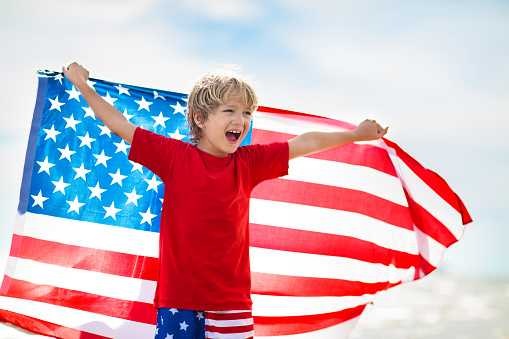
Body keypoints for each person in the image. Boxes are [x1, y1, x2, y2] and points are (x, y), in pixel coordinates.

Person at [62, 62, 388, 339]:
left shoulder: (250, 162)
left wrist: (355, 134)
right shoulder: (174, 157)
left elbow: (304, 141)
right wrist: (82, 85)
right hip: (179, 301)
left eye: (247, 112)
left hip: (232, 304)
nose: (241, 119)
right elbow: (120, 125)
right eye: (229, 110)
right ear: (201, 120)